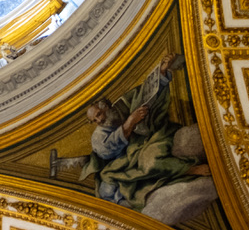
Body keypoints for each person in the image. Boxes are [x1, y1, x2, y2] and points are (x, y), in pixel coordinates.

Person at [81, 53, 210, 211]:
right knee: (150, 162)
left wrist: (162, 72)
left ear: (106, 107)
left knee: (156, 150)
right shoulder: (98, 136)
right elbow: (106, 151)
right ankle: (190, 169)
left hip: (151, 138)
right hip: (125, 161)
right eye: (95, 120)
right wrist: (130, 123)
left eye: (99, 114)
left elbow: (145, 92)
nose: (99, 120)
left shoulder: (122, 105)